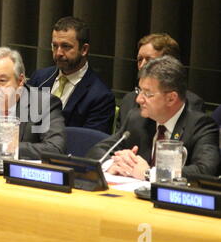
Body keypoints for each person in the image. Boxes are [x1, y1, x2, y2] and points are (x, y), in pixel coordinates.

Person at [87, 56, 220, 179]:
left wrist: (150, 173)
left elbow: (205, 171)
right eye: (140, 91)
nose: (139, 99)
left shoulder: (200, 126)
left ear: (171, 98)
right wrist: (116, 162)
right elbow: (97, 151)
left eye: (148, 94)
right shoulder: (137, 119)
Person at [28, 16, 115, 134]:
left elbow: (89, 142)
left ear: (84, 49)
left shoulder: (101, 96)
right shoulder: (39, 78)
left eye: (66, 46)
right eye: (55, 46)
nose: (58, 53)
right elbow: (23, 122)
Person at [117, 33, 205, 130]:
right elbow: (117, 141)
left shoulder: (191, 103)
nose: (142, 66)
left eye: (149, 60)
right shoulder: (128, 101)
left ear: (169, 65)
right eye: (139, 59)